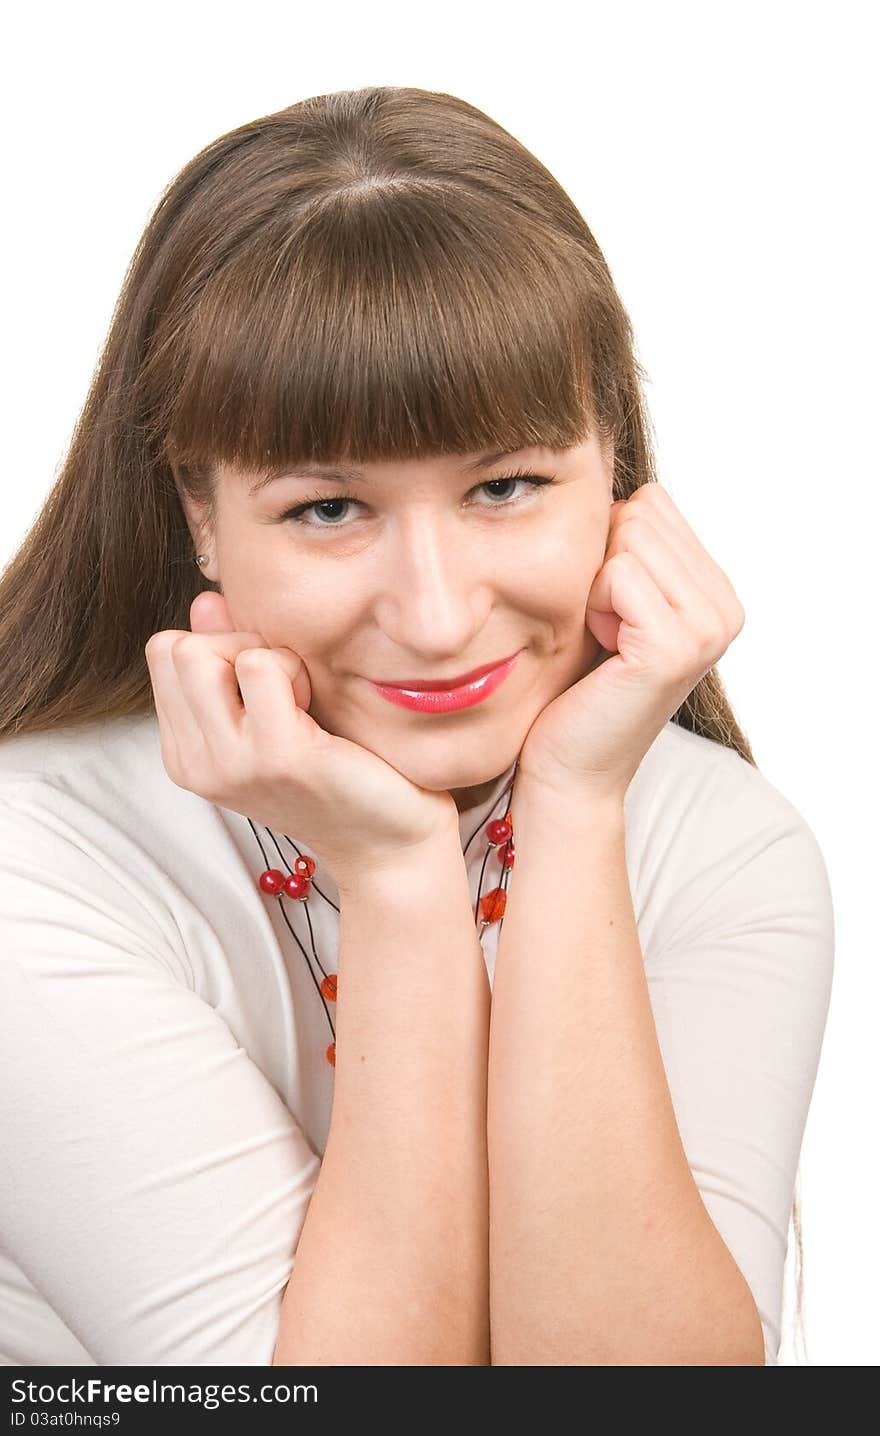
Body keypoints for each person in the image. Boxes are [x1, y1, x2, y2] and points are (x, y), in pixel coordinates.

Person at [0, 85, 834, 1367]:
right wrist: (397, 879)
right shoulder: (33, 861)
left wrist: (570, 809)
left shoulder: (714, 838)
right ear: (199, 511)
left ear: (610, 465)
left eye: (505, 486)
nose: (440, 618)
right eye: (329, 508)